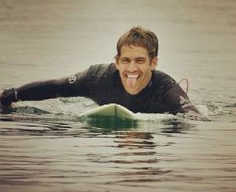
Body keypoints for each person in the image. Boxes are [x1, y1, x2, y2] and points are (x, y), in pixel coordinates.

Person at [0, 26, 207, 120]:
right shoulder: (97, 78)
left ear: (153, 63)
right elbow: (56, 87)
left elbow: (194, 115)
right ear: (117, 62)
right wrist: (12, 94)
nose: (132, 68)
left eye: (140, 61)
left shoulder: (166, 89)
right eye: (125, 60)